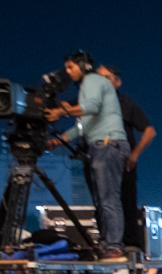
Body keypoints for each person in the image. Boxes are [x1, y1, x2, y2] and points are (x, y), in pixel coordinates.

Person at [46, 52, 128, 261]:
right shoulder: (86, 87)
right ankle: (107, 243)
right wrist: (58, 140)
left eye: (71, 67)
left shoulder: (92, 80)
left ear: (83, 65)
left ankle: (114, 245)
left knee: (108, 199)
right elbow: (81, 126)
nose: (68, 72)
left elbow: (91, 107)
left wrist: (62, 112)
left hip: (107, 144)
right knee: (102, 200)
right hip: (101, 146)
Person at [95, 64, 155, 251]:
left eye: (107, 77)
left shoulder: (125, 104)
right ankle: (107, 242)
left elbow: (149, 130)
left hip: (122, 162)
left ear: (117, 82)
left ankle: (130, 244)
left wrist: (134, 154)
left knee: (126, 201)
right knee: (101, 202)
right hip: (98, 159)